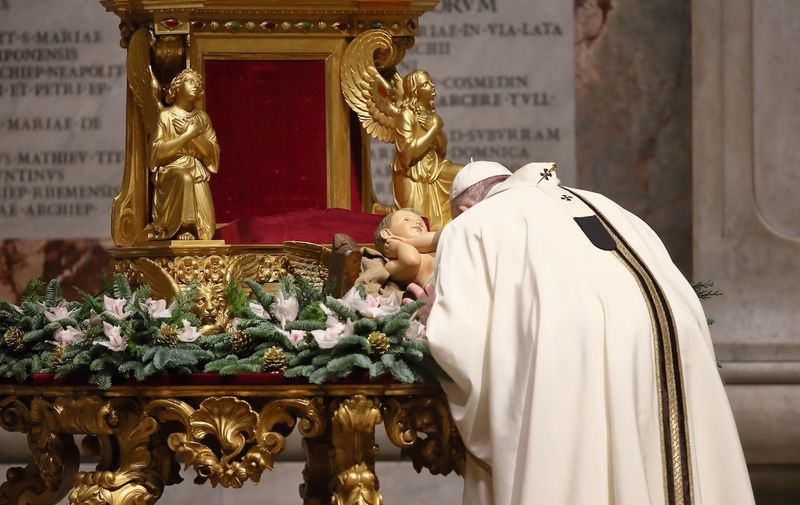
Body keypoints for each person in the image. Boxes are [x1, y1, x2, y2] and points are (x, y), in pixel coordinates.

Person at [421, 160, 755, 505]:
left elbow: (459, 345)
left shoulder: (472, 224)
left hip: (577, 353)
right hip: (671, 337)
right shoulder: (607, 206)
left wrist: (434, 316)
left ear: (464, 208)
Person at [147, 68, 220, 241]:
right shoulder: (165, 116)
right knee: (184, 179)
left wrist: (194, 136)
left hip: (197, 172)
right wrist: (186, 136)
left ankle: (195, 228)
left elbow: (213, 153)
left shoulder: (203, 118)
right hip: (171, 173)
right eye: (190, 81)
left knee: (207, 232)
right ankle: (183, 227)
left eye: (198, 83)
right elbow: (156, 154)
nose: (196, 86)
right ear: (177, 87)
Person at [392, 70, 463, 231]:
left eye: (430, 82)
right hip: (411, 173)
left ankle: (462, 228)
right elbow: (407, 155)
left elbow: (442, 149)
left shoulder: (430, 113)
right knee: (417, 224)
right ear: (415, 91)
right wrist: (434, 130)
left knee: (465, 176)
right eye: (425, 84)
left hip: (434, 168)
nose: (432, 86)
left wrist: (436, 128)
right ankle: (381, 211)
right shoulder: (406, 115)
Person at [374, 208, 441, 288]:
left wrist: (408, 241)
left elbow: (444, 235)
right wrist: (399, 245)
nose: (419, 222)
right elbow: (412, 261)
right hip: (440, 279)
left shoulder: (434, 245)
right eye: (407, 219)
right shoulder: (391, 265)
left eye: (421, 221)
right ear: (387, 234)